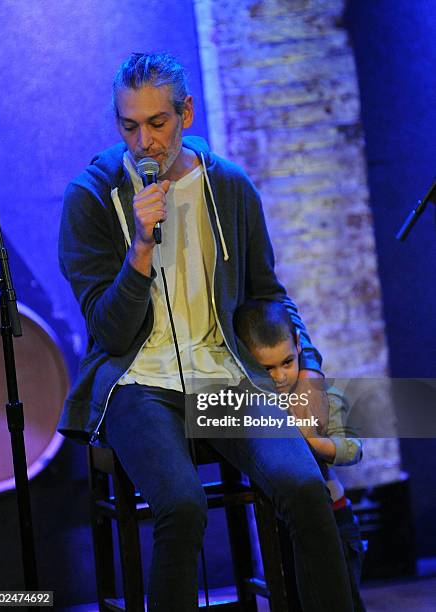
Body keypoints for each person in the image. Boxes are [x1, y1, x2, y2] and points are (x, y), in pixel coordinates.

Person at [58, 52, 354, 611]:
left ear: (186, 113)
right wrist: (141, 249)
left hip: (219, 376)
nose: (144, 141)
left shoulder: (230, 187)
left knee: (304, 486)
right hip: (137, 384)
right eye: (129, 125)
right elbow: (109, 330)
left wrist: (308, 364)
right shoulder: (93, 197)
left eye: (157, 123)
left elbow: (267, 289)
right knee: (183, 505)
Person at [234, 299, 366, 612]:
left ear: (297, 345)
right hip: (280, 523)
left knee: (342, 600)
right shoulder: (251, 404)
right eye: (267, 368)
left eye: (287, 362)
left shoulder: (319, 396)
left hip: (334, 519)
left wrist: (313, 442)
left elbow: (353, 447)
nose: (280, 376)